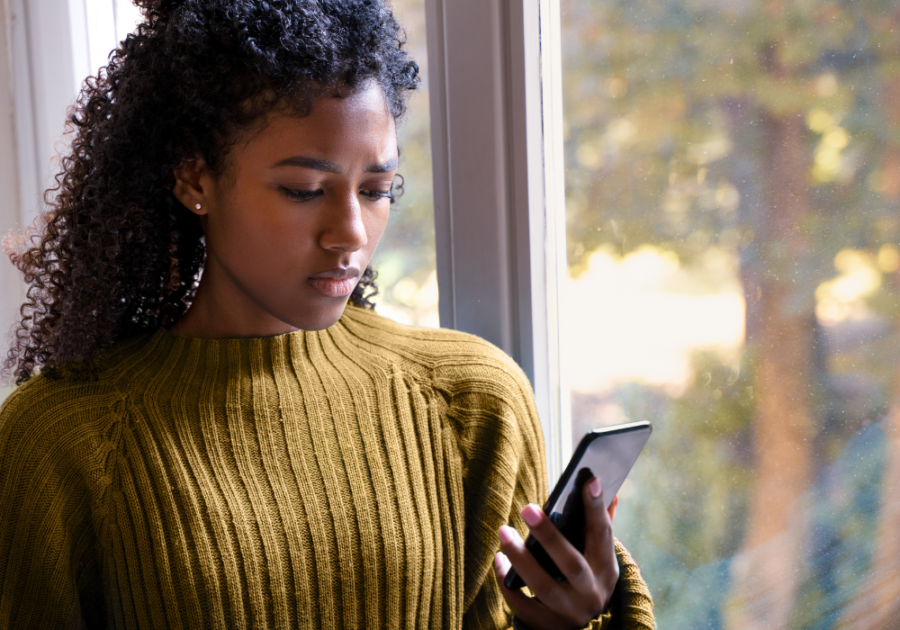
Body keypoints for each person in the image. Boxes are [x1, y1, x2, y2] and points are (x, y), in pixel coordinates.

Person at [0, 1, 654, 628]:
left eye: (375, 190)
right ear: (194, 177)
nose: (350, 233)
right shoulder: (64, 440)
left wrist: (574, 621)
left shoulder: (472, 403)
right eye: (304, 190)